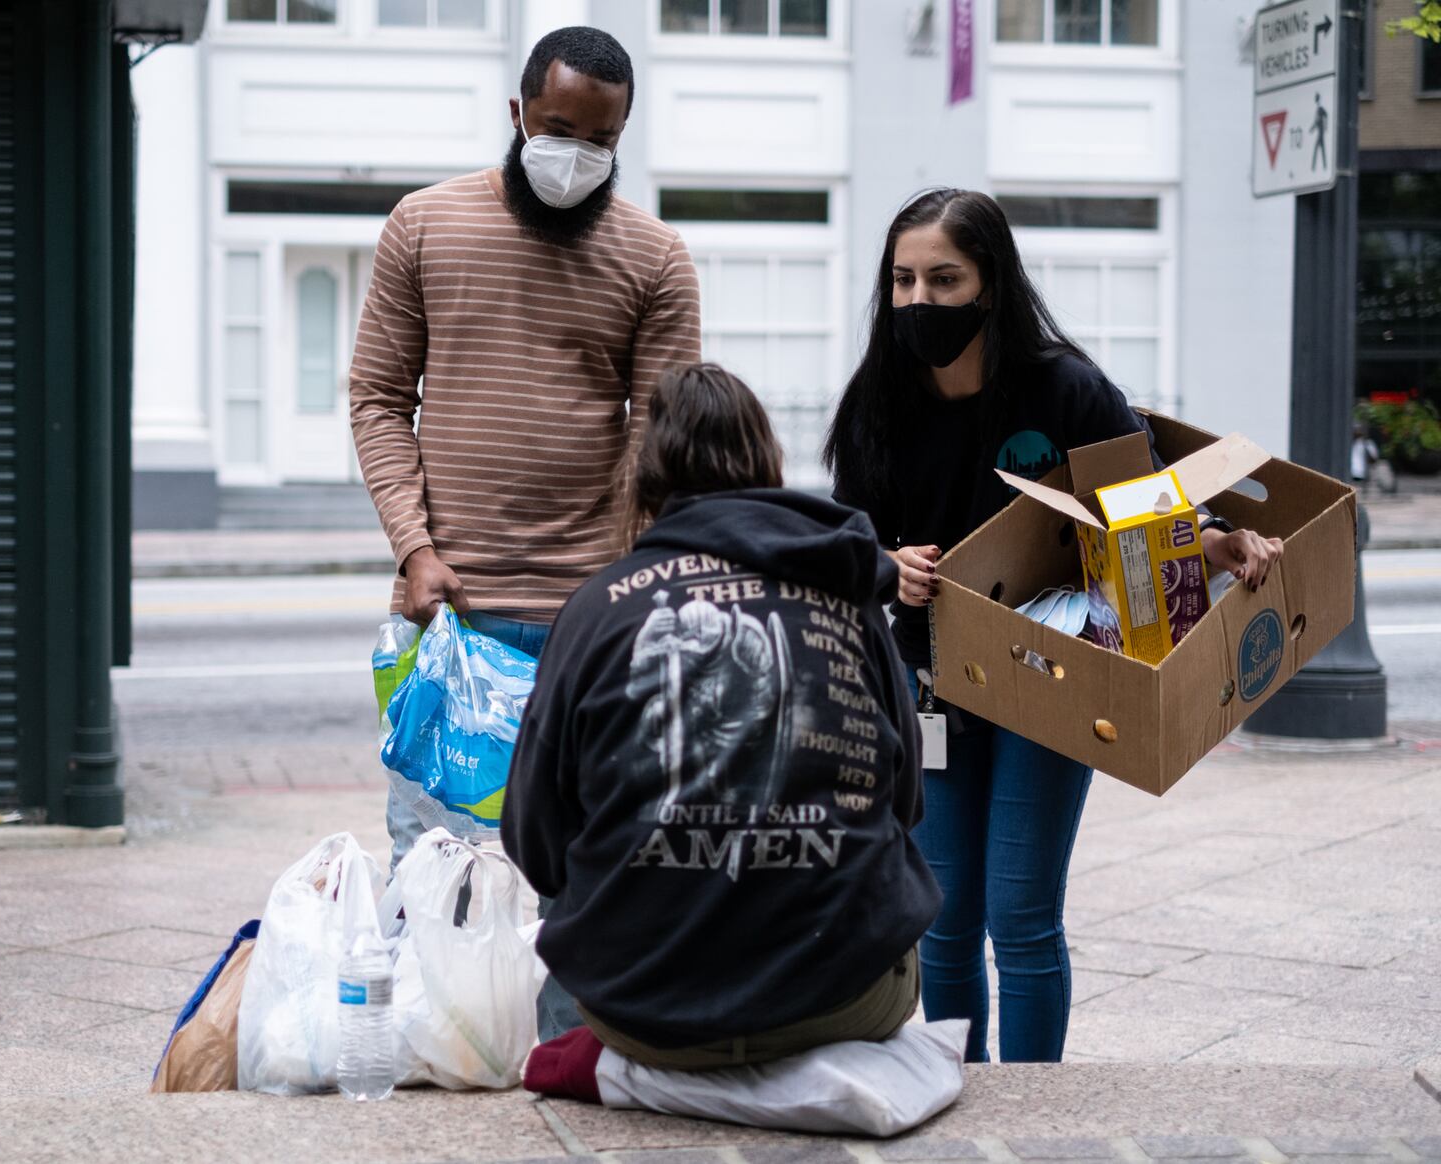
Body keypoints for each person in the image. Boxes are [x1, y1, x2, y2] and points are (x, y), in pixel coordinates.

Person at [824, 188, 1283, 1063]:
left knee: (1022, 916)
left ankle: (1037, 1115)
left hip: (1054, 678)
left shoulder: (1064, 389)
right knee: (946, 922)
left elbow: (1147, 508)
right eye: (903, 281)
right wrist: (894, 567)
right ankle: (958, 1097)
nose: (920, 301)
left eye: (943, 279)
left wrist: (1220, 541)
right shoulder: (875, 405)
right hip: (932, 686)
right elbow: (851, 542)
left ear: (990, 285)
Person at [502, 363, 943, 1070]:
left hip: (646, 1011)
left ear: (642, 478)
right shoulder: (844, 593)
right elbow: (903, 803)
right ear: (768, 462)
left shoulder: (596, 610)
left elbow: (536, 843)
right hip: (842, 1000)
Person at [349, 24, 701, 878]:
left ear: (624, 134)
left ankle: (563, 1022)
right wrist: (415, 549)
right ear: (517, 111)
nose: (575, 154)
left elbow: (666, 444)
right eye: (556, 130)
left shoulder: (655, 258)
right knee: (435, 872)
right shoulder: (424, 225)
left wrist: (636, 586)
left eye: (600, 140)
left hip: (593, 620)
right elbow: (379, 399)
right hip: (452, 610)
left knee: (584, 877)